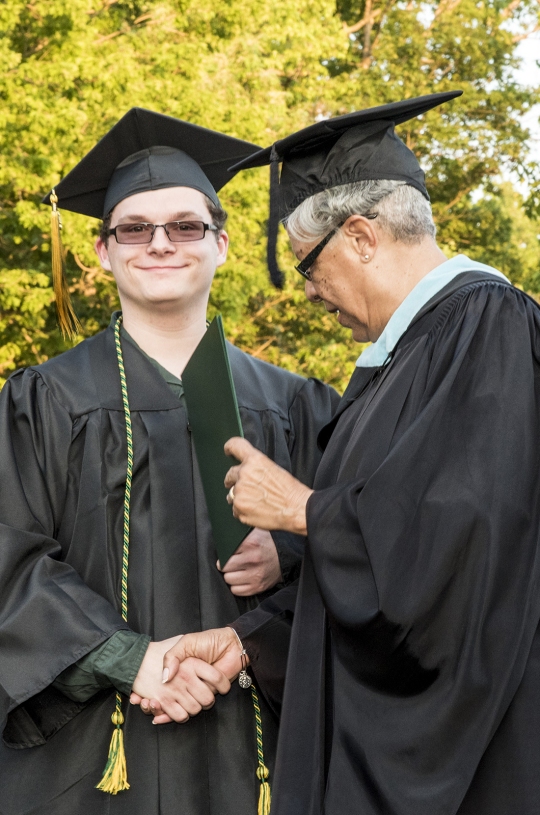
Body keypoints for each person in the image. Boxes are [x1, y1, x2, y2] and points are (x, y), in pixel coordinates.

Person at [151, 91, 540, 815]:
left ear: (361, 235)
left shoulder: (490, 329)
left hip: (478, 770)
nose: (308, 293)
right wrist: (251, 640)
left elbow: (466, 543)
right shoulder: (403, 361)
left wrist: (303, 510)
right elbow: (379, 572)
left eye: (307, 266)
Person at [0, 108, 338, 815]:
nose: (160, 244)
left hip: (258, 756)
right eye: (135, 228)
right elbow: (9, 559)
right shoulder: (41, 402)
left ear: (221, 243)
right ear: (102, 252)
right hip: (92, 759)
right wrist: (134, 659)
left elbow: (363, 556)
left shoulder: (301, 408)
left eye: (185, 226)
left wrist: (284, 565)